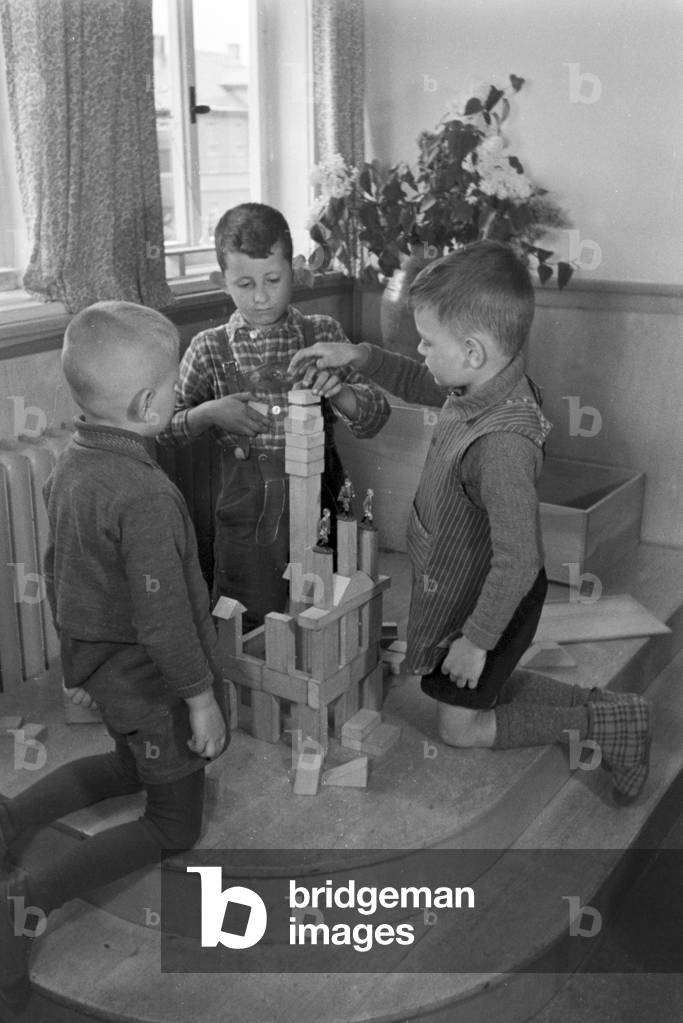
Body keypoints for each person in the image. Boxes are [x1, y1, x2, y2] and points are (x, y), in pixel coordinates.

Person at [289, 240, 650, 805]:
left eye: (428, 342)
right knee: (481, 687)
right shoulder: (481, 380)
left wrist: (478, 641)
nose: (420, 350)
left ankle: (606, 724)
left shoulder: (502, 444)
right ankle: (607, 707)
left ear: (474, 352)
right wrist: (359, 355)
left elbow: (521, 560)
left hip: (494, 595)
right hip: (466, 581)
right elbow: (418, 380)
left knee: (458, 728)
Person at [0, 301, 228, 1009]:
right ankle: (29, 901)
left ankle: (10, 822)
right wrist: (199, 698)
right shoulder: (147, 495)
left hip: (102, 666)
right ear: (148, 402)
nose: (177, 395)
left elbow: (55, 557)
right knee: (174, 819)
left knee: (127, 760)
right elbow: (164, 619)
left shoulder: (75, 457)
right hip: (147, 678)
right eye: (171, 385)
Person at [157, 202, 390, 630]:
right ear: (221, 281)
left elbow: (376, 415)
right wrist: (209, 412)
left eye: (273, 280)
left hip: (322, 500)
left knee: (328, 604)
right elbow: (164, 430)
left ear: (294, 272)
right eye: (245, 283)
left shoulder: (321, 333)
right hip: (246, 513)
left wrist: (339, 392)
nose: (261, 296)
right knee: (246, 614)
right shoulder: (209, 348)